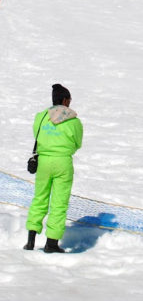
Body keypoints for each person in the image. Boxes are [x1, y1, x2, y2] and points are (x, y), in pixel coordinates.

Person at [24, 84, 83, 253]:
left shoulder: (41, 117)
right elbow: (78, 143)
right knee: (59, 203)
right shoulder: (74, 121)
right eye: (70, 100)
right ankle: (51, 244)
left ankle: (30, 241)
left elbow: (37, 134)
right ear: (65, 100)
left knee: (39, 198)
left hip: (43, 162)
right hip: (63, 162)